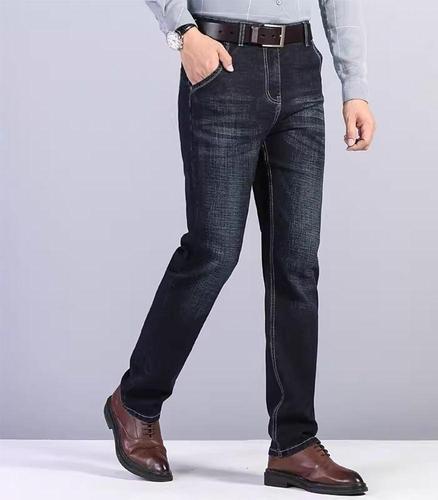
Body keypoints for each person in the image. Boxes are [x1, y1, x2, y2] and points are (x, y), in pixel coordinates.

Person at [104, 0, 375, 495]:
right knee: (213, 251)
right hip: (223, 64)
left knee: (297, 266)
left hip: (299, 70)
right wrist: (184, 34)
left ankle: (293, 444)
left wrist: (354, 87)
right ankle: (136, 402)